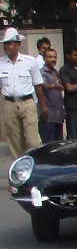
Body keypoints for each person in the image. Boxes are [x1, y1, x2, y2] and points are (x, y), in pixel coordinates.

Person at [0, 28, 46, 157]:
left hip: (27, 102)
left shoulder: (30, 61)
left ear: (18, 45)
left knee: (33, 140)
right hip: (9, 103)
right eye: (5, 43)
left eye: (10, 43)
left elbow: (38, 85)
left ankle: (36, 163)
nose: (6, 46)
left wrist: (43, 107)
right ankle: (20, 168)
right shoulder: (1, 64)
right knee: (15, 140)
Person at [38, 47, 66, 142]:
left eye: (55, 57)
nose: (53, 59)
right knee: (48, 145)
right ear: (44, 59)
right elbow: (43, 85)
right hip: (48, 116)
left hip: (58, 116)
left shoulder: (56, 72)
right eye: (50, 57)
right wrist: (54, 86)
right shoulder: (41, 72)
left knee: (58, 144)